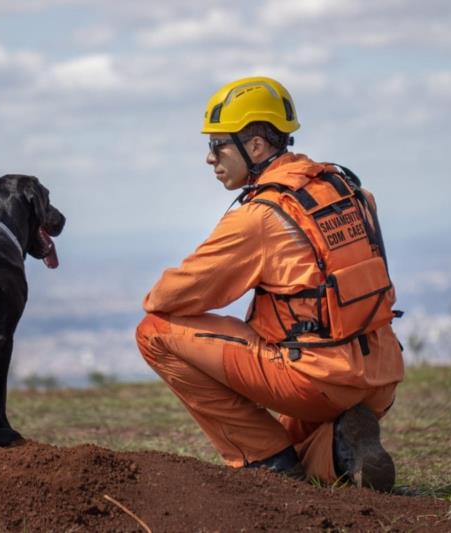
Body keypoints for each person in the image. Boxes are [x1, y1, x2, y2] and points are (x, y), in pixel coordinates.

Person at [135, 76, 404, 490]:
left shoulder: (260, 215)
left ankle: (264, 462)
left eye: (217, 144)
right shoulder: (350, 190)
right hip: (382, 375)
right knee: (296, 441)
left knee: (153, 331)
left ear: (256, 146)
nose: (210, 158)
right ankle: (342, 451)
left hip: (318, 379)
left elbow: (168, 297)